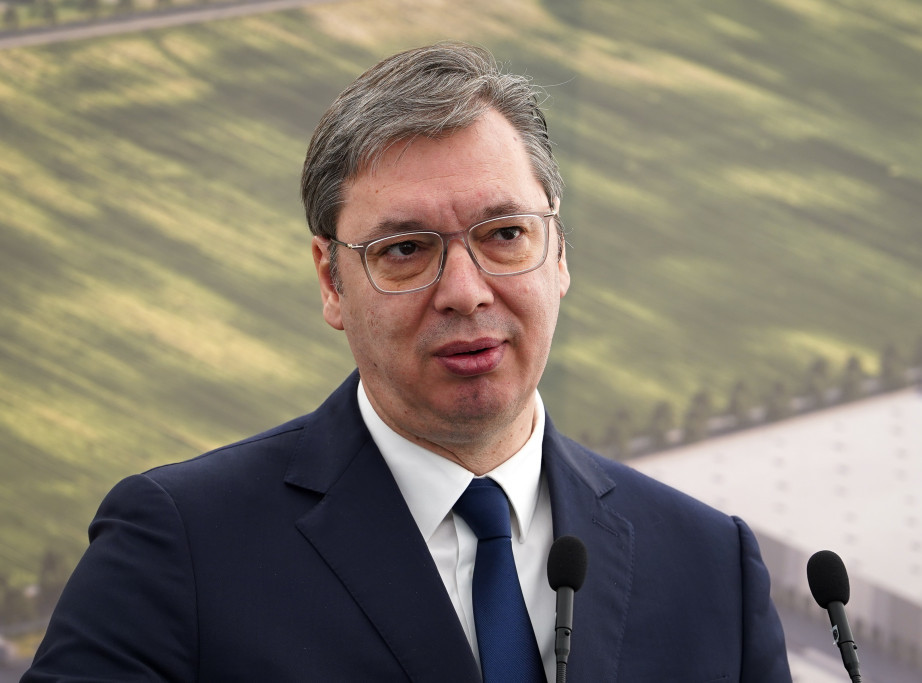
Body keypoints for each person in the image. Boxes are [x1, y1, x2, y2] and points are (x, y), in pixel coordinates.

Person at [24, 42, 791, 682]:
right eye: (405, 249)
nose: (465, 291)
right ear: (331, 280)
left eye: (505, 234)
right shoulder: (179, 547)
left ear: (560, 251)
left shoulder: (709, 565)